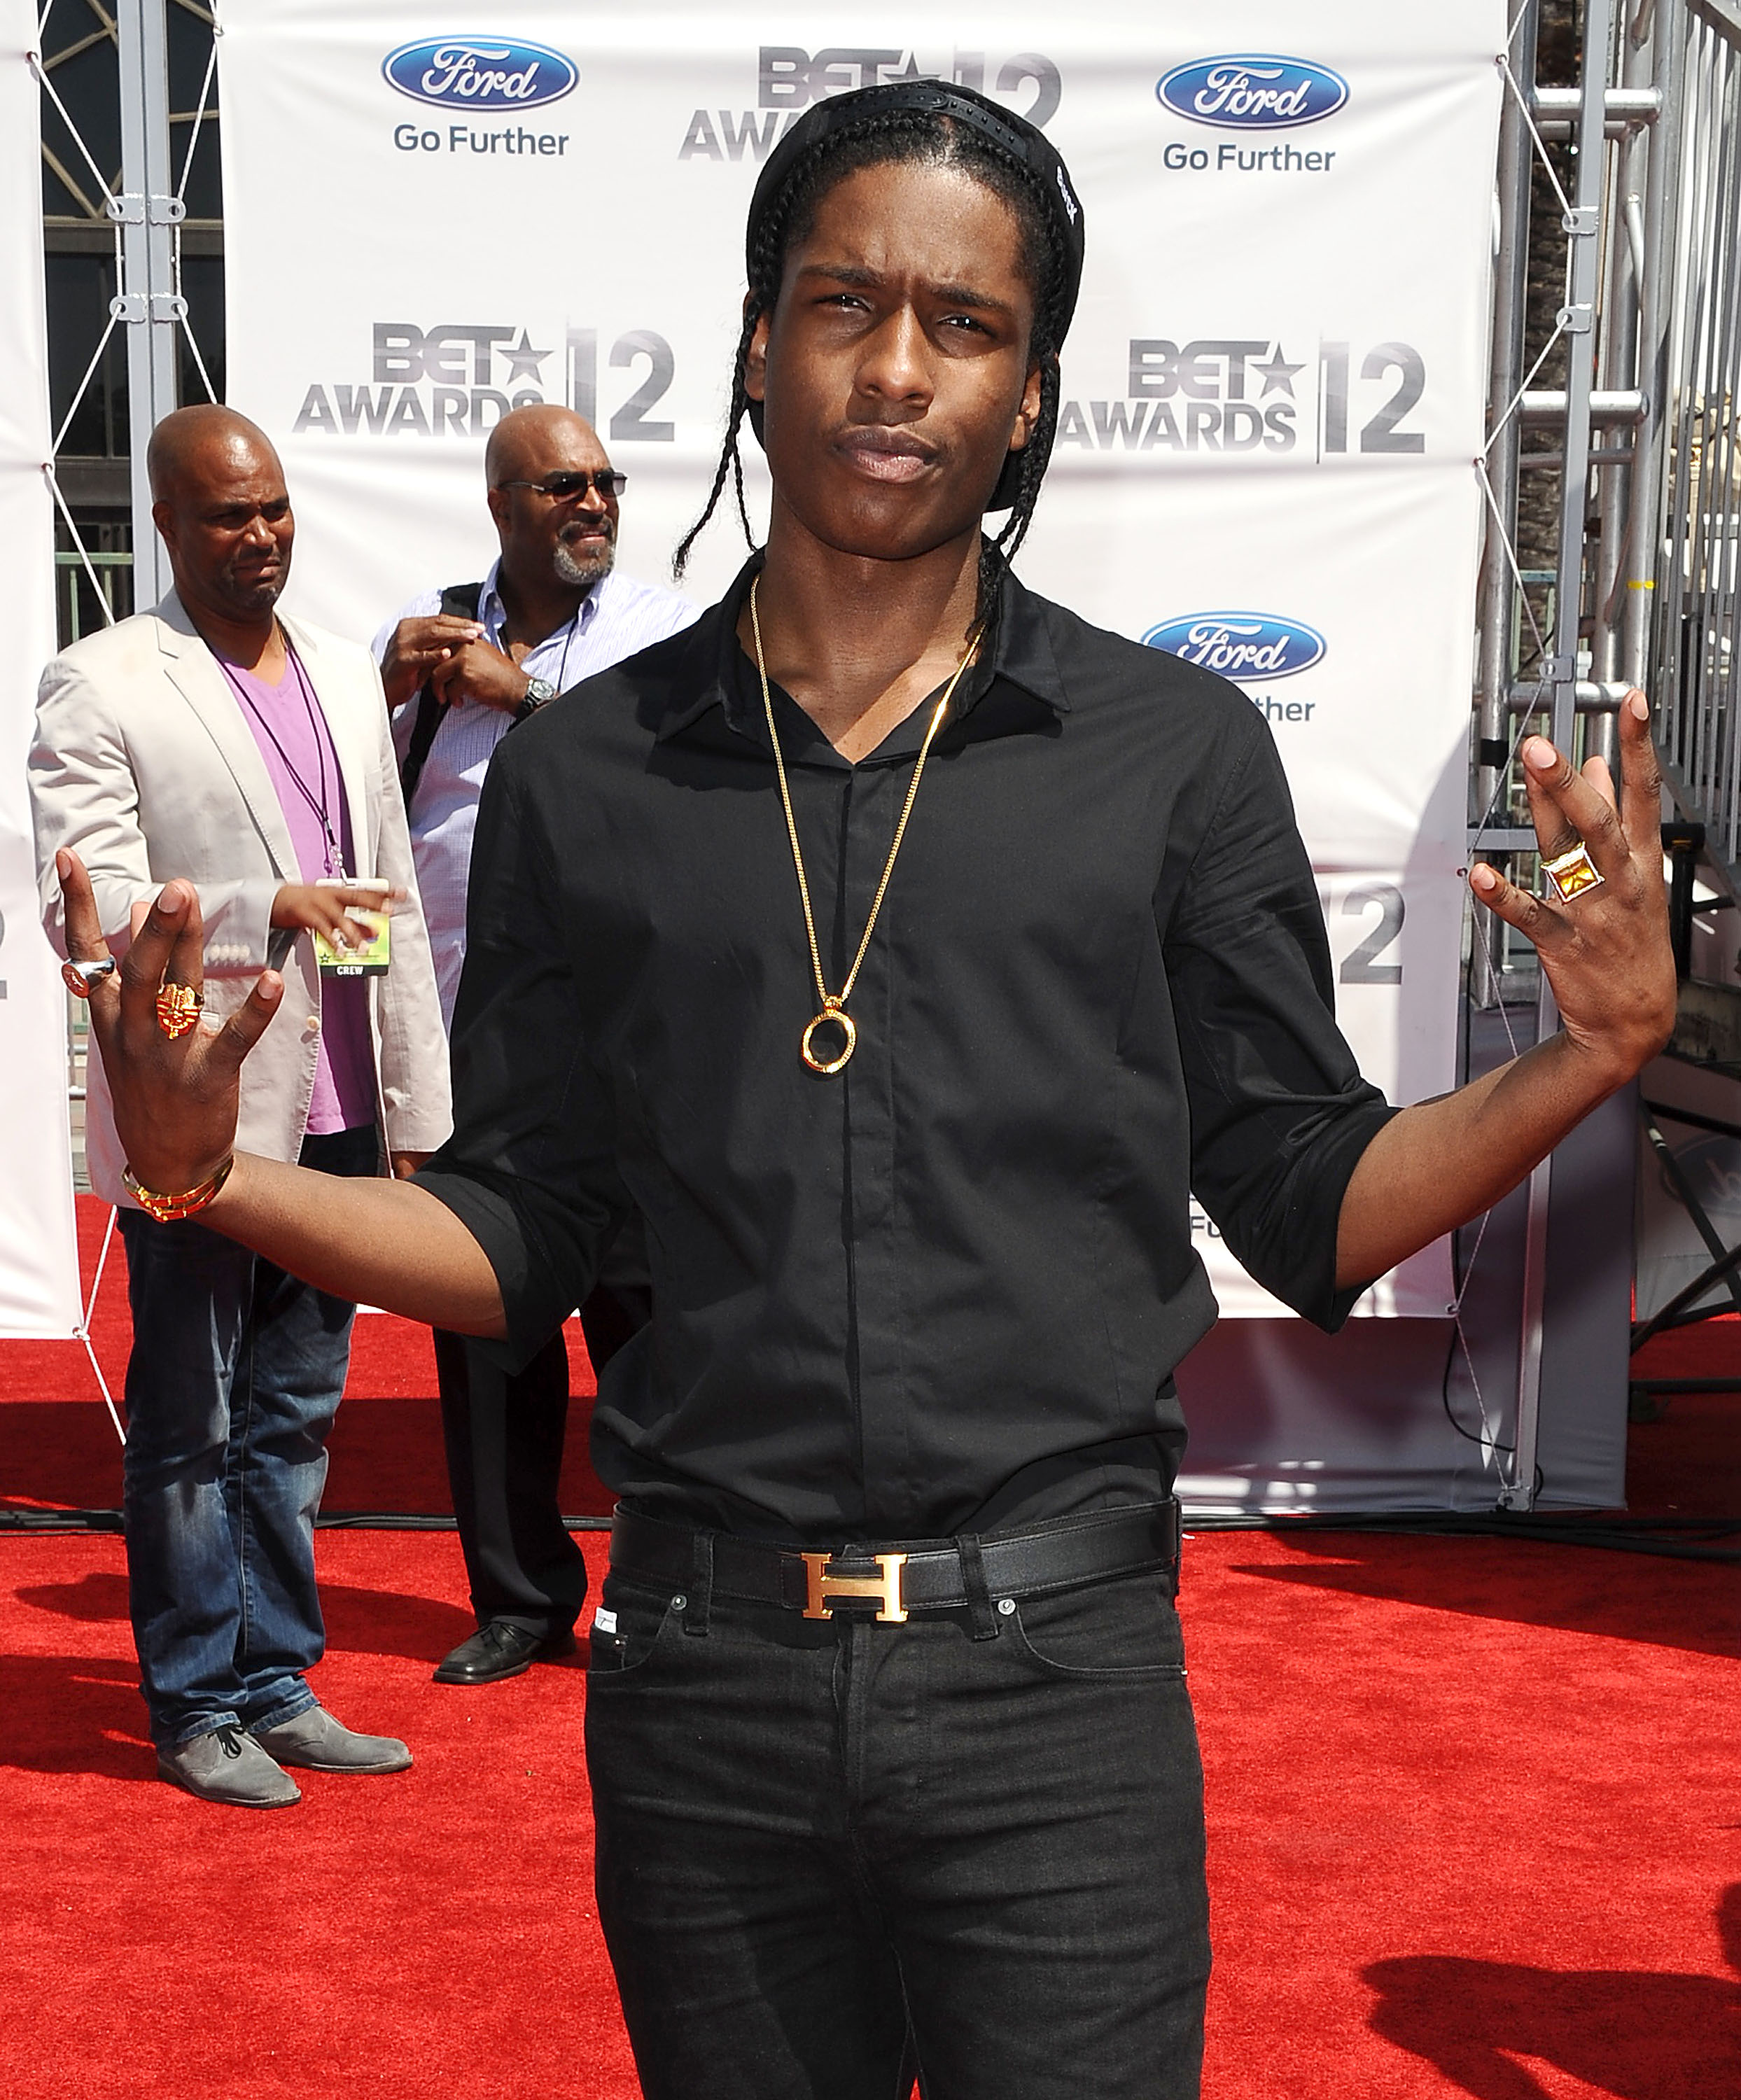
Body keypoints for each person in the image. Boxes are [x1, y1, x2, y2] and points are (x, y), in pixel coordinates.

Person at [54, 83, 1674, 2093]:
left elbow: (1306, 1191)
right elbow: (523, 1232)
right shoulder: (587, 774)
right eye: (843, 303)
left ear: (1030, 389)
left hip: (1060, 1696)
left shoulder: (1172, 755)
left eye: (966, 324)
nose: (897, 367)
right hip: (700, 1690)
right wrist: (206, 1175)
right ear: (755, 338)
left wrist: (1595, 1054)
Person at [31, 405, 451, 1811]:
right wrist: (255, 907)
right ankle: (197, 1698)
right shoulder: (100, 684)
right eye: (225, 515)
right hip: (197, 1115)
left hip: (335, 1113)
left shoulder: (342, 672)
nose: (258, 535)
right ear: (164, 522)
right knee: (188, 1422)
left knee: (295, 1415)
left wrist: (411, 1103)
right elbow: (85, 908)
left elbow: (380, 895)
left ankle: (277, 1679)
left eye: (272, 509)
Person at [372, 405, 697, 1686]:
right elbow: (352, 803)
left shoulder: (660, 631)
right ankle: (517, 1598)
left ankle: (664, 1590)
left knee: (655, 1340)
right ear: (504, 503)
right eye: (565, 485)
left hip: (632, 1057)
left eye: (609, 483)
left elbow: (673, 784)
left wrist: (532, 697)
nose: (596, 505)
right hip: (471, 1054)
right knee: (488, 1338)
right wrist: (381, 693)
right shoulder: (430, 627)